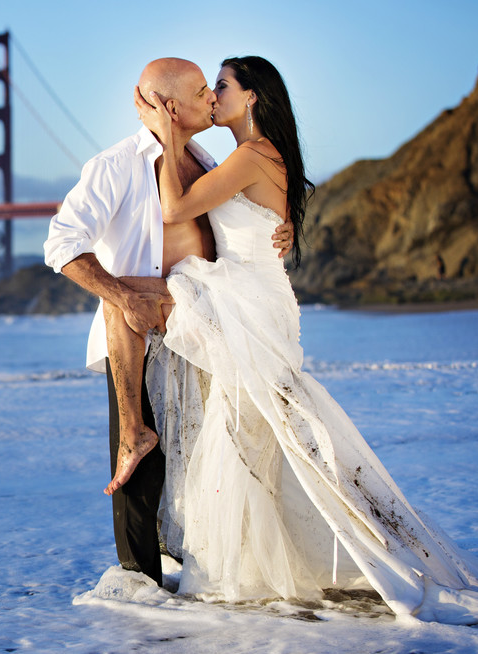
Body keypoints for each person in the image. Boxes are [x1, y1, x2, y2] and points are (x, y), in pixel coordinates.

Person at [118, 55, 478, 624]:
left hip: (250, 301)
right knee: (255, 427)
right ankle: (259, 562)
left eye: (221, 87)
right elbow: (255, 216)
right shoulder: (259, 156)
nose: (211, 97)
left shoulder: (252, 155)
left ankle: (245, 572)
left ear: (252, 97)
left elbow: (175, 208)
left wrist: (161, 132)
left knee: (247, 426)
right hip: (260, 297)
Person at [43, 58, 293, 587]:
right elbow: (61, 243)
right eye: (204, 91)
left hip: (206, 328)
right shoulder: (117, 165)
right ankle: (140, 604)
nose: (211, 98)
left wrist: (282, 227)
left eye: (215, 88)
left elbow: (242, 222)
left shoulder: (204, 162)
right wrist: (121, 295)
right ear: (172, 107)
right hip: (141, 330)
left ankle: (198, 594)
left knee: (205, 466)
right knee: (141, 472)